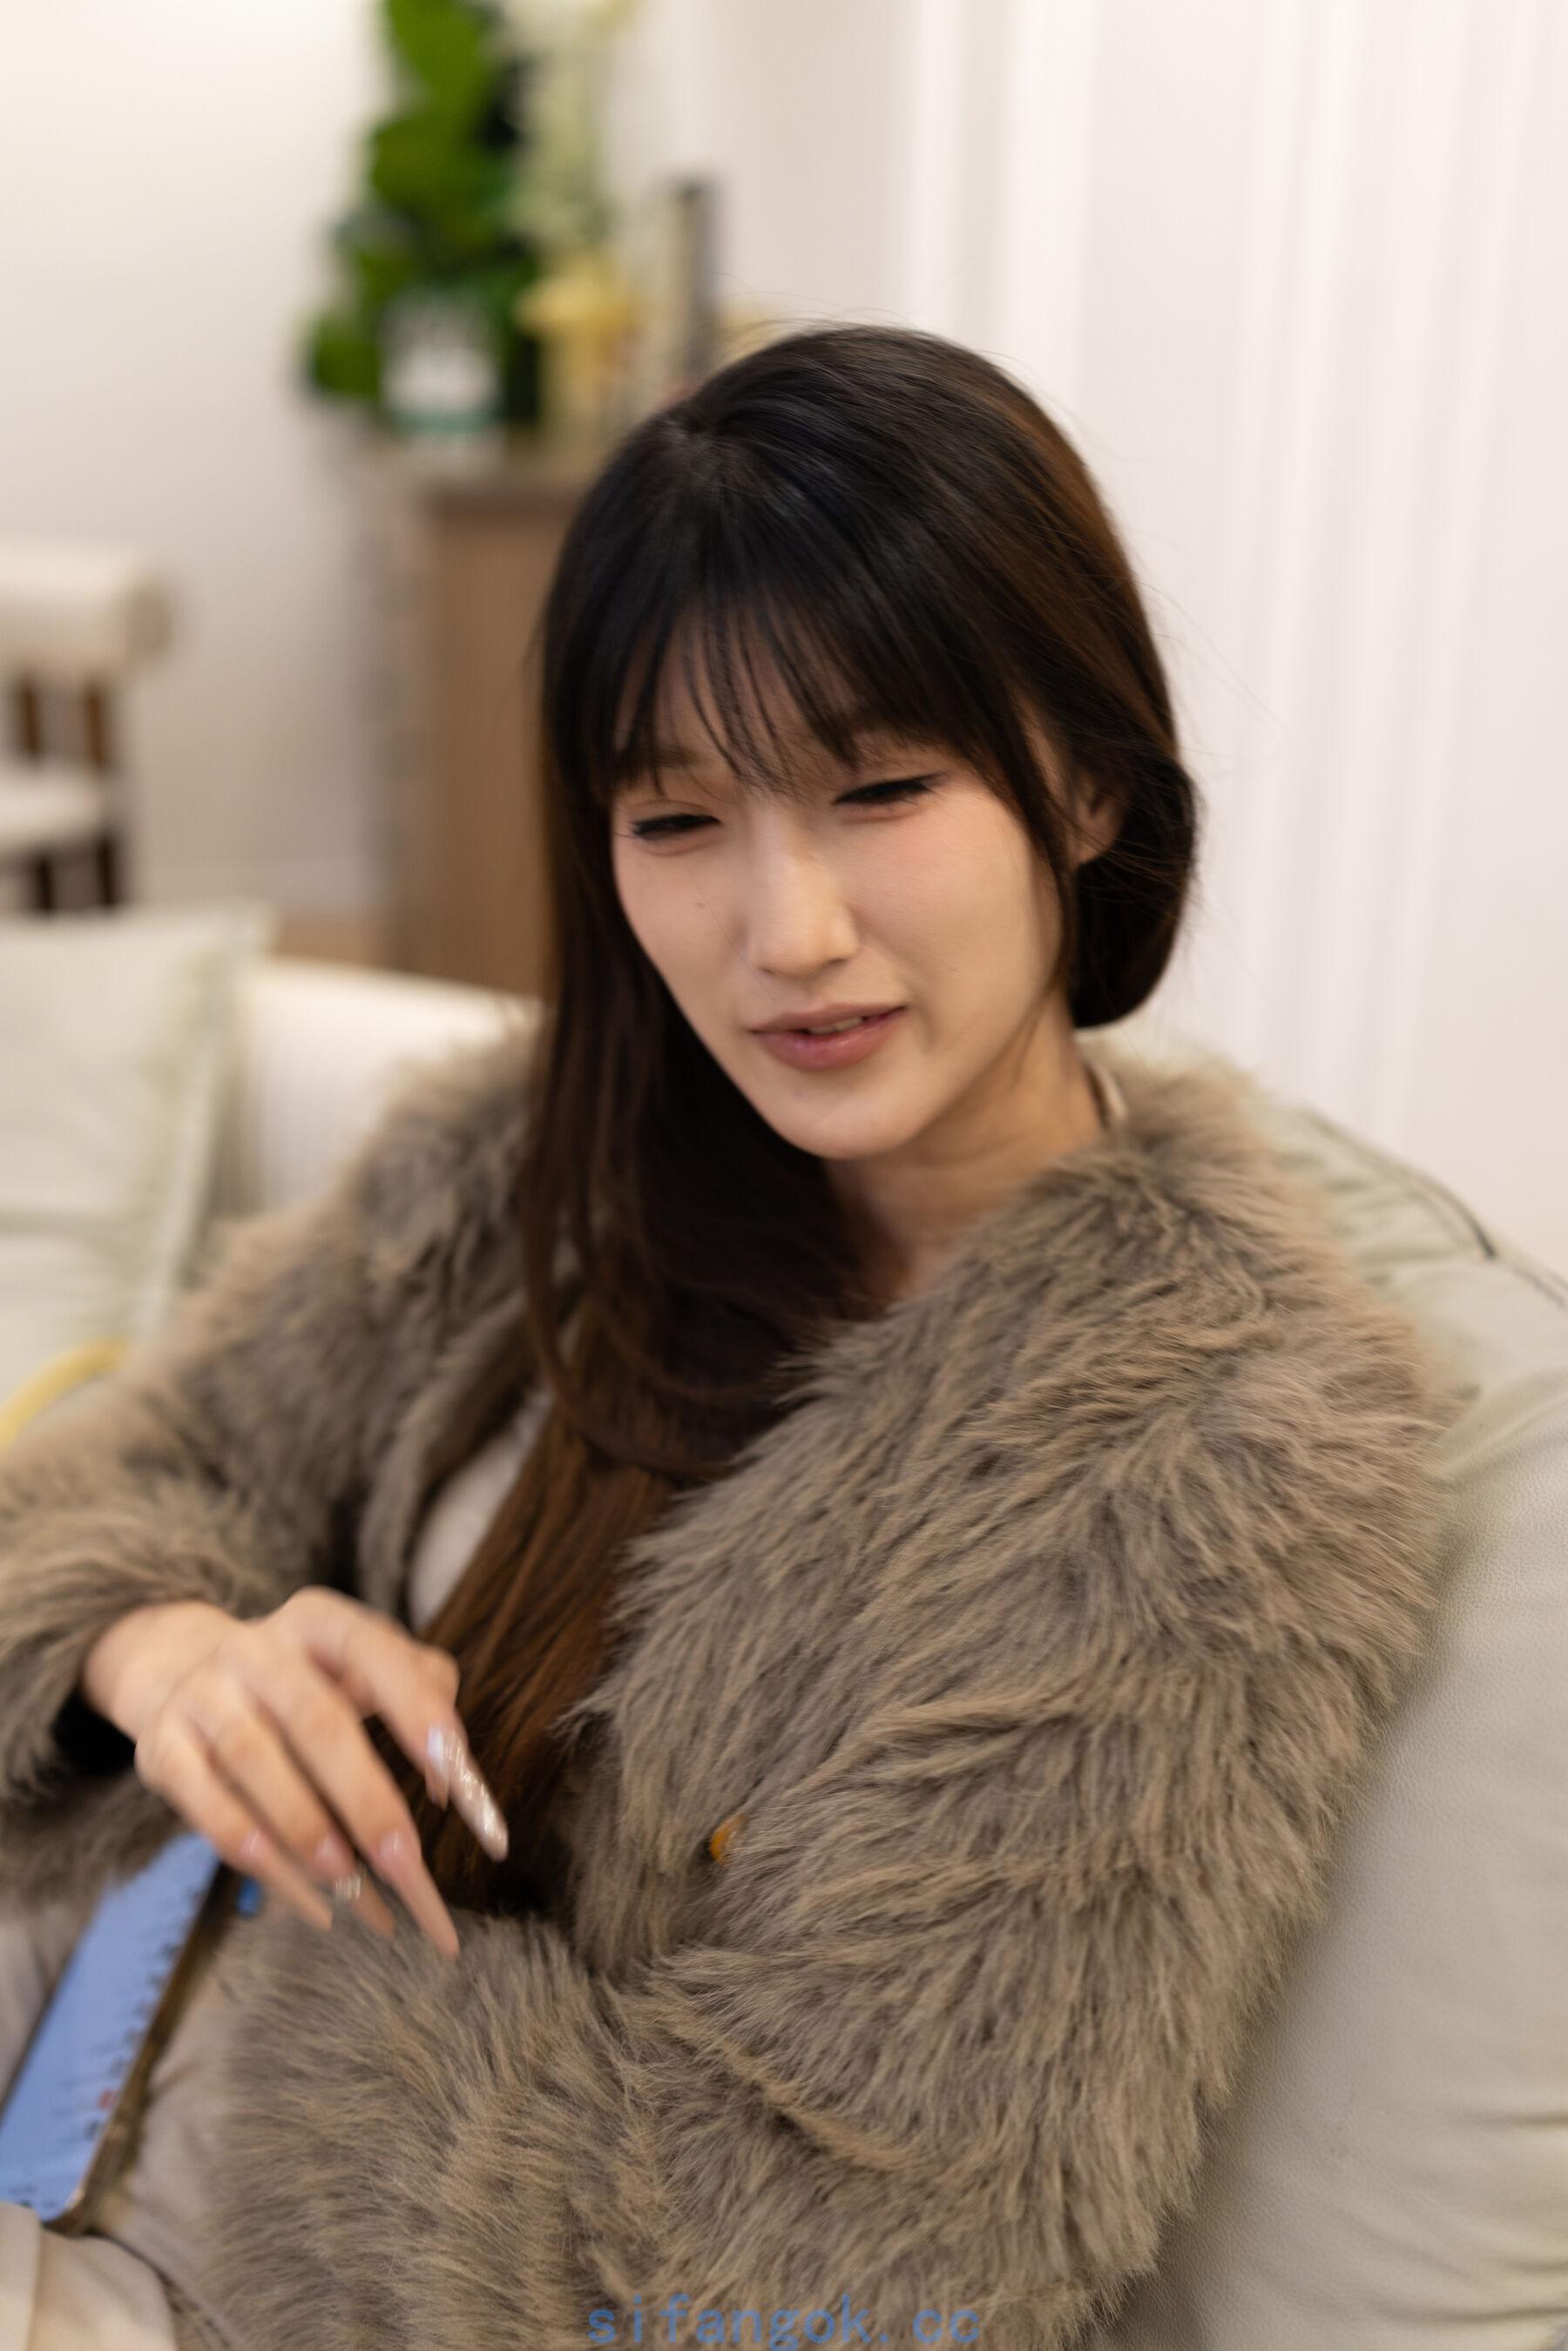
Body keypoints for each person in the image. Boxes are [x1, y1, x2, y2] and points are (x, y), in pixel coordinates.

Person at [0, 322, 1460, 2351]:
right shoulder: (531, 1165)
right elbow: (93, 1496)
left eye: (881, 789)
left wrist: (298, 1931)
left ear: (1089, 784)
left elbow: (844, 2274)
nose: (788, 935)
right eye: (678, 819)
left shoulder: (1208, 1458)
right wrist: (165, 1657)